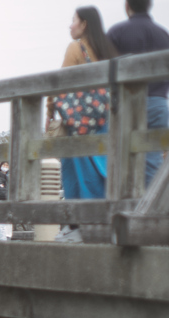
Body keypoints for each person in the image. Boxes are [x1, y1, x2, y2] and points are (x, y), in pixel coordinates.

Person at [49, 6, 118, 243]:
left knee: (76, 171)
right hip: (105, 119)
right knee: (101, 171)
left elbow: (61, 83)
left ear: (84, 24)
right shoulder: (108, 49)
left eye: (73, 21)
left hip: (79, 121)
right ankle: (101, 223)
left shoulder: (76, 48)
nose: (70, 25)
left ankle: (78, 225)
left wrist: (49, 109)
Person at [107, 0, 169, 187]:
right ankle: (154, 209)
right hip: (158, 101)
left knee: (122, 159)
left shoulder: (117, 32)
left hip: (128, 104)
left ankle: (128, 209)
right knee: (153, 159)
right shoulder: (163, 34)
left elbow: (105, 70)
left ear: (127, 6)